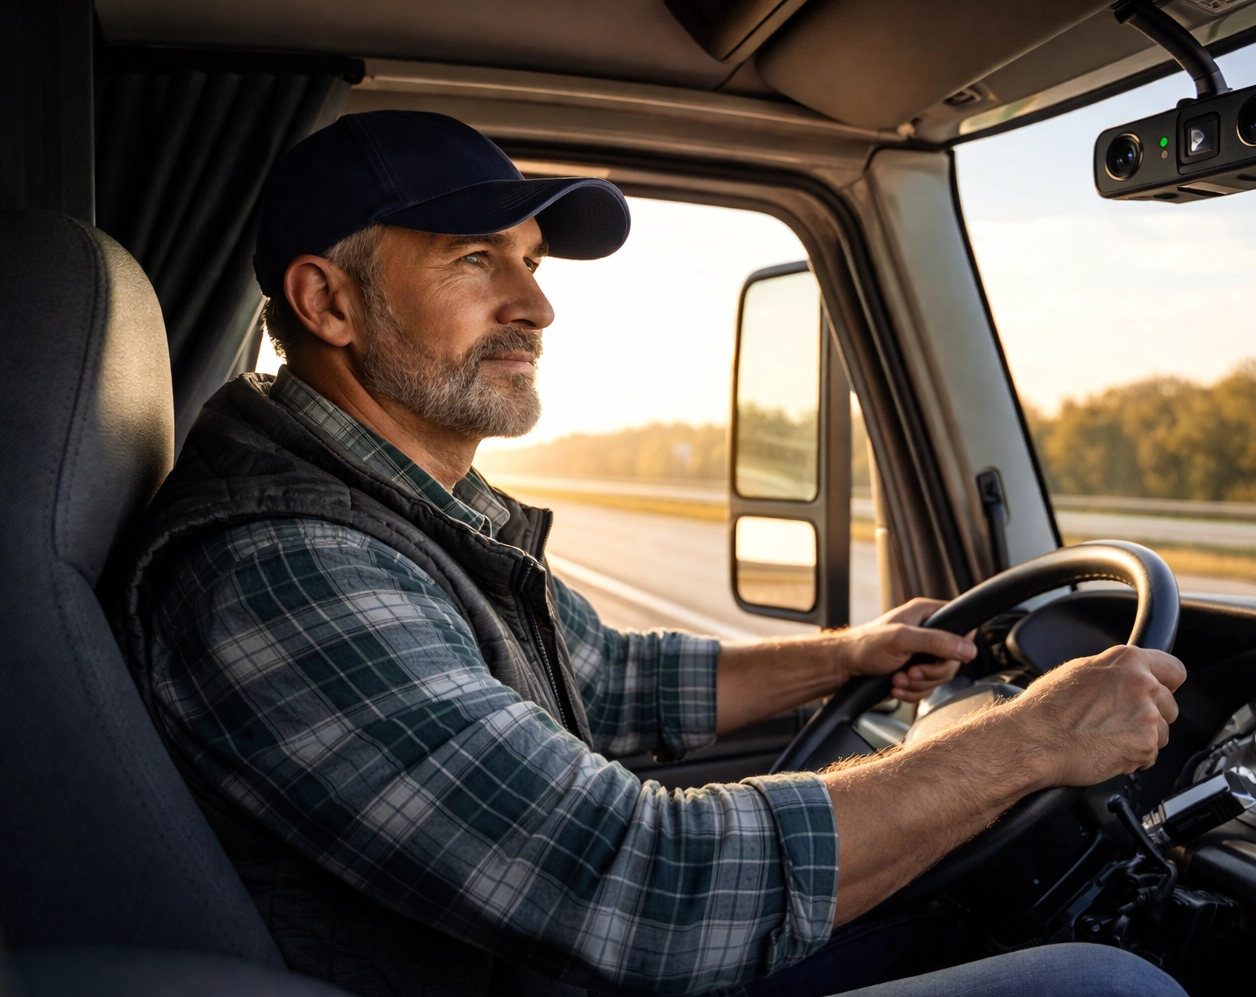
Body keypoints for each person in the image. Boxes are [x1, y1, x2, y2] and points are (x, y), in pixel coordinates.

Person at [119, 110, 1188, 997]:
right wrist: (1026, 743)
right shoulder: (286, 564)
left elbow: (606, 676)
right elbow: (643, 886)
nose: (536, 305)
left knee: (977, 920)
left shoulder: (408, 509)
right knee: (1109, 986)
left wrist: (845, 655)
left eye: (531, 263)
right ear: (328, 302)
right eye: (476, 258)